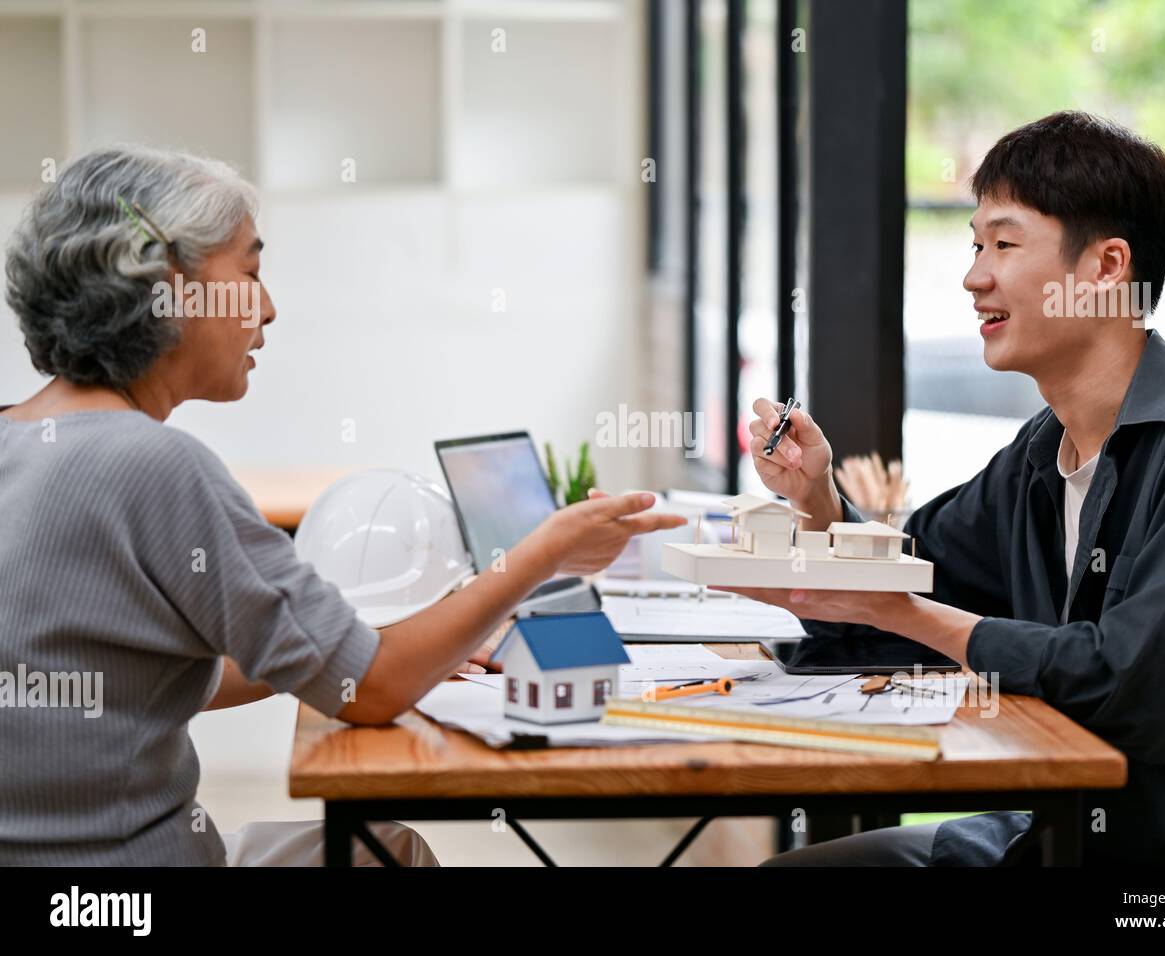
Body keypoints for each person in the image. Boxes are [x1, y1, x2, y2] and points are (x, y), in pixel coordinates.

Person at [0, 144, 686, 866]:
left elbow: (126, 682)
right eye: (251, 271)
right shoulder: (152, 465)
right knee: (388, 855)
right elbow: (375, 687)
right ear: (171, 286)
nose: (268, 306)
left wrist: (386, 643)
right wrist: (539, 552)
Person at [738, 112, 1165, 866]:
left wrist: (907, 612)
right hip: (1049, 837)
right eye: (976, 244)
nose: (974, 276)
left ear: (1106, 269)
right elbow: (885, 613)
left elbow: (1140, 691)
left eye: (1004, 243)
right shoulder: (1043, 449)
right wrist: (818, 505)